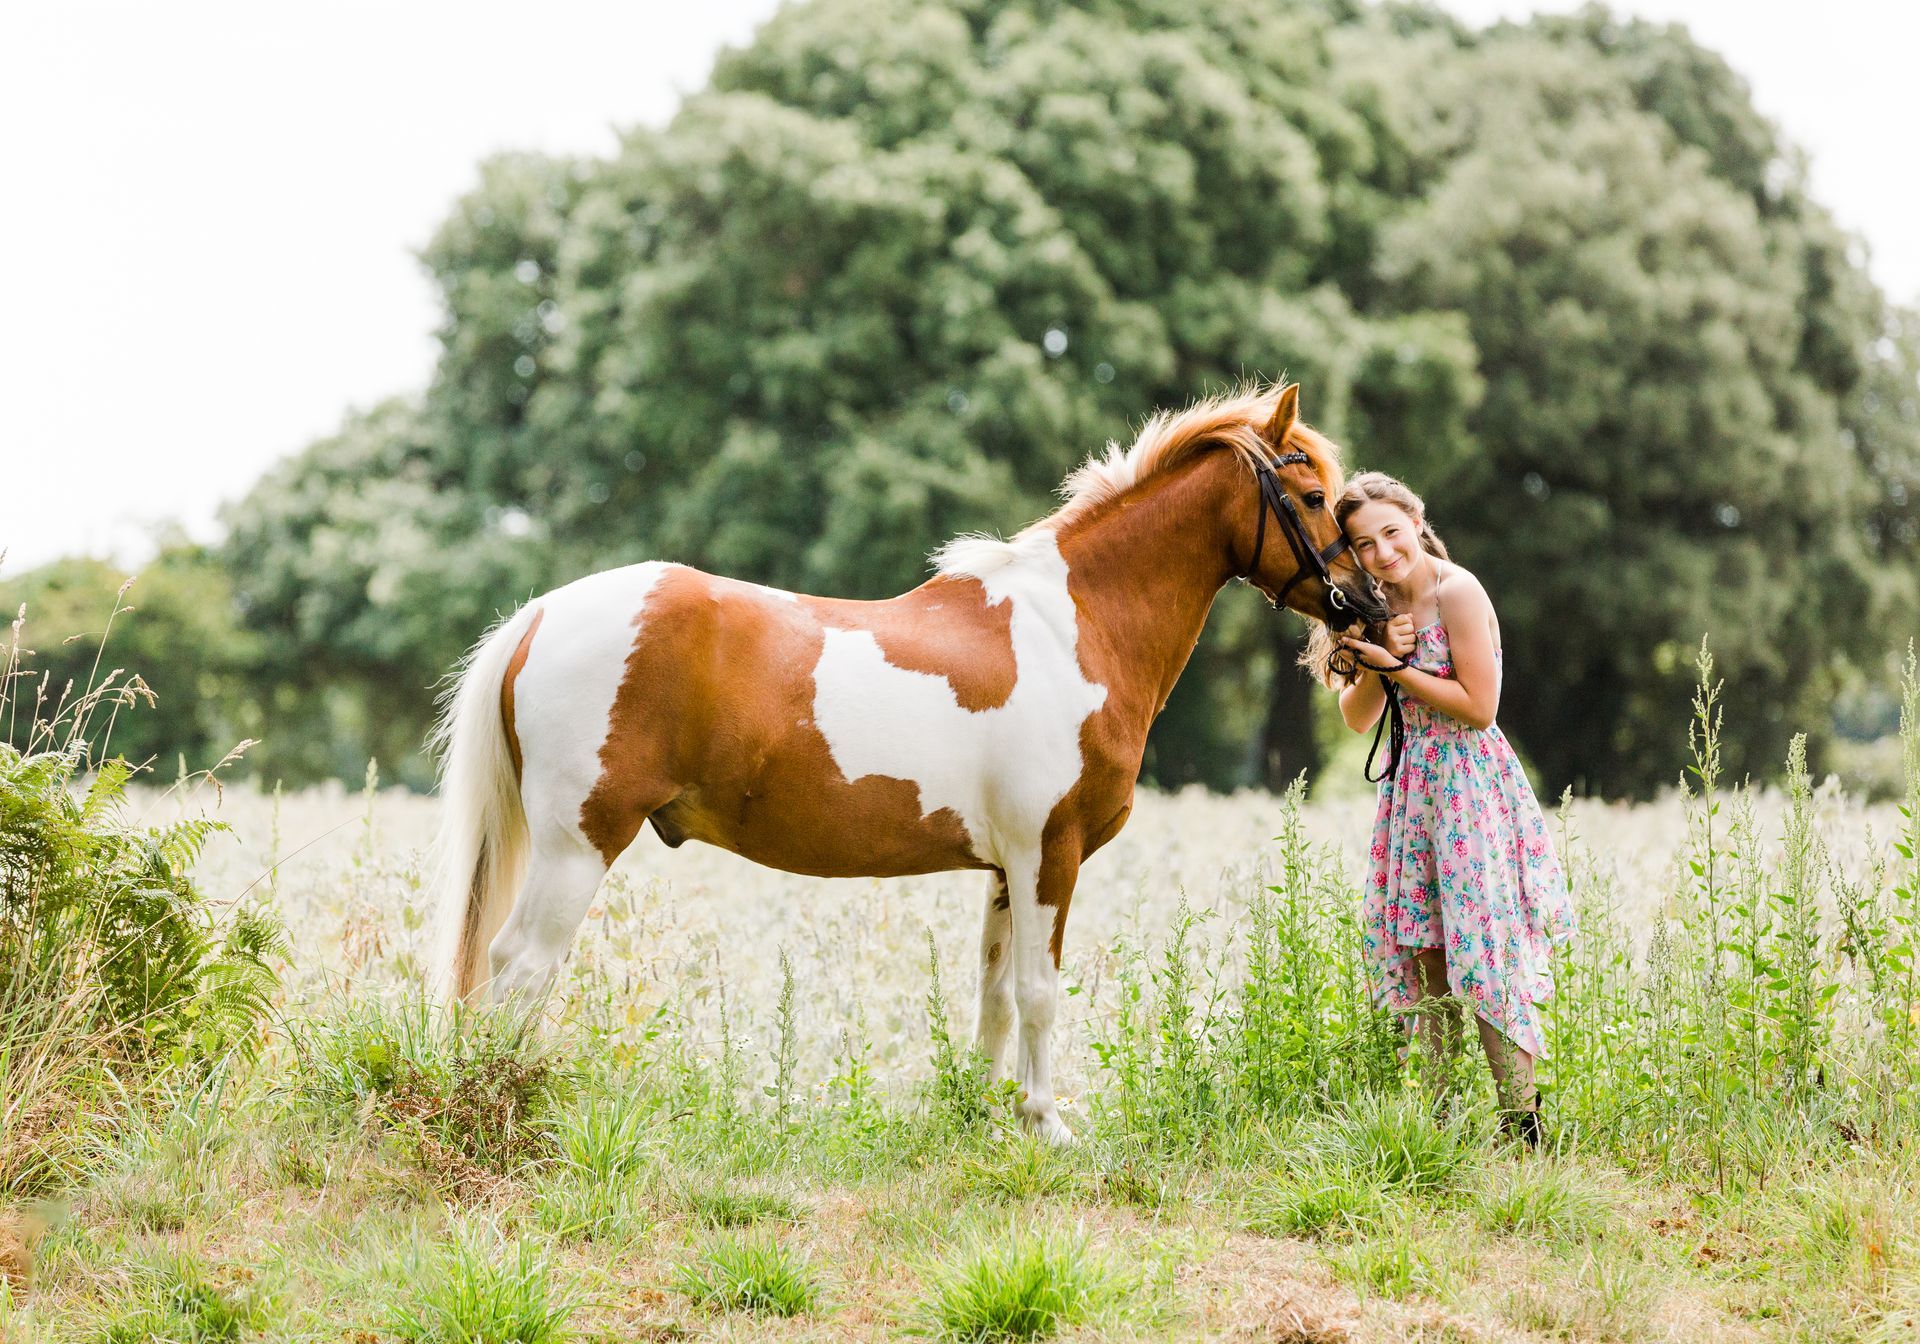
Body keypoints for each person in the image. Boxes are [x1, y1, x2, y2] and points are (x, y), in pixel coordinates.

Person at [1305, 472, 1577, 1144]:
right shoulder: (1375, 604)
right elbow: (1356, 719)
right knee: (1426, 956)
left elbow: (1480, 710)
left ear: (1415, 518)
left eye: (1390, 533)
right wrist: (1379, 658)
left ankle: (1522, 1124)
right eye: (1364, 544)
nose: (1382, 552)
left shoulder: (1457, 591)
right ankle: (1438, 1125)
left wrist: (1399, 670)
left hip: (1468, 788)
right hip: (1410, 793)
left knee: (1483, 953)